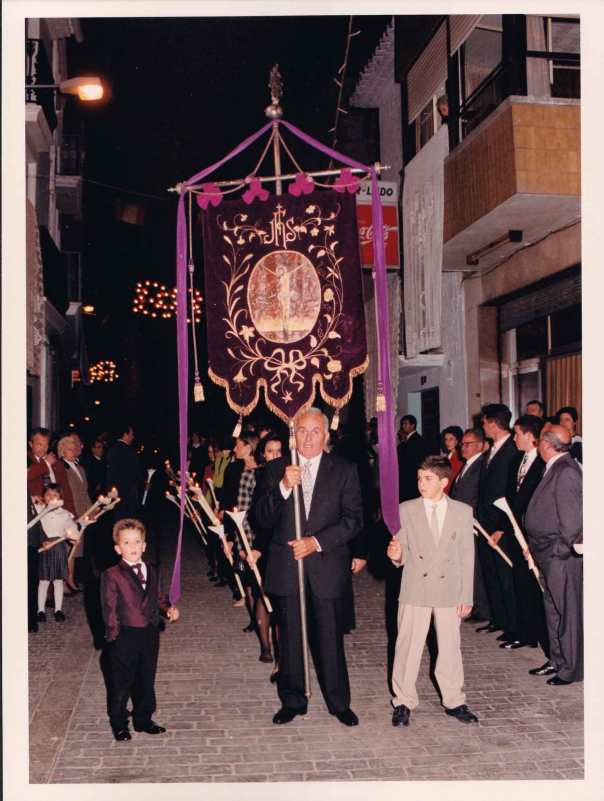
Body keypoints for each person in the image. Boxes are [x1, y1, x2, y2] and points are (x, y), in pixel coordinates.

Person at [253, 407, 363, 726]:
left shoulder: (344, 470)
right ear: (293, 435)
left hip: (326, 567)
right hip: (287, 569)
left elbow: (354, 519)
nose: (309, 438)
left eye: (316, 431)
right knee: (290, 639)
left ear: (326, 436)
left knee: (329, 638)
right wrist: (284, 488)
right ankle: (293, 700)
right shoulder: (275, 470)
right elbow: (261, 519)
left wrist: (315, 542)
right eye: (302, 431)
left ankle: (338, 703)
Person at [387, 456, 478, 727]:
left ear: (444, 482)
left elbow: (466, 555)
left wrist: (466, 595)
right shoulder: (406, 509)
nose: (421, 484)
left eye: (428, 479)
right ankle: (403, 701)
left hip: (449, 589)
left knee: (450, 648)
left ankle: (454, 700)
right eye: (419, 478)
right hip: (416, 587)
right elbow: (401, 553)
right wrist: (396, 554)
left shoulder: (462, 511)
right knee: (408, 647)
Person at [100, 518, 179, 740]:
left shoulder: (152, 570)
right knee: (121, 682)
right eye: (126, 542)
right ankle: (119, 723)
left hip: (149, 633)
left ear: (144, 545)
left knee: (146, 678)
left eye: (137, 541)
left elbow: (159, 598)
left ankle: (143, 719)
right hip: (124, 635)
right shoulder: (112, 574)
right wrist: (114, 637)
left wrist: (168, 610)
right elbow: (109, 608)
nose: (133, 546)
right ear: (118, 548)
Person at [524, 424, 583, 685]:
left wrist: (559, 551)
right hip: (547, 553)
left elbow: (572, 522)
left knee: (567, 613)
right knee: (553, 610)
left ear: (547, 445)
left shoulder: (566, 471)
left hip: (559, 556)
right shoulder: (556, 466)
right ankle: (557, 661)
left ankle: (571, 669)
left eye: (540, 440)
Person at [502, 415, 548, 652]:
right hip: (516, 533)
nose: (514, 438)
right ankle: (526, 633)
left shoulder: (543, 463)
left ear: (530, 436)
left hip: (535, 535)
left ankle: (543, 636)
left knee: (537, 588)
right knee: (520, 583)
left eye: (517, 434)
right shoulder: (515, 462)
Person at [475, 404, 519, 642]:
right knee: (491, 574)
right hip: (485, 523)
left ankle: (514, 626)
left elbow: (510, 493)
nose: (482, 426)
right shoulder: (492, 449)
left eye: (484, 422)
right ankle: (499, 619)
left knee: (506, 577)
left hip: (501, 525)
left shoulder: (513, 449)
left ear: (493, 423)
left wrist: (502, 527)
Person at [449, 427, 489, 622]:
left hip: (471, 523)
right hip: (460, 523)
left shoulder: (481, 466)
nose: (463, 447)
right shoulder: (467, 465)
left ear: (480, 445)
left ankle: (481, 608)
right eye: (462, 444)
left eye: (468, 444)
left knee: (475, 568)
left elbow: (476, 497)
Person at [35, 484, 80, 623]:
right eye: (48, 495)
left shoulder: (65, 514)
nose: (51, 498)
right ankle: (40, 610)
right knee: (43, 581)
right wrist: (34, 498)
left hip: (58, 548)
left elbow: (72, 528)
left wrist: (74, 538)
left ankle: (58, 609)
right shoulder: (39, 510)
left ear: (60, 498)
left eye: (55, 495)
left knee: (58, 581)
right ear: (43, 496)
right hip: (43, 547)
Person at [27, 427, 75, 514]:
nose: (43, 448)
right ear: (30, 444)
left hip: (60, 512)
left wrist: (72, 515)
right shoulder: (25, 460)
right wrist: (46, 464)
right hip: (38, 512)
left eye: (46, 445)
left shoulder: (56, 463)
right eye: (39, 444)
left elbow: (66, 493)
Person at [106, 424, 143, 520]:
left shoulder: (112, 450)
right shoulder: (129, 451)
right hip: (128, 494)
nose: (133, 437)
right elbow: (135, 474)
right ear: (125, 435)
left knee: (119, 520)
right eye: (131, 434)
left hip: (116, 493)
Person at [397, 415, 427, 502]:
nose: (403, 426)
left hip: (410, 477)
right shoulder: (409, 439)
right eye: (402, 424)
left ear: (412, 425)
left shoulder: (416, 440)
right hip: (408, 477)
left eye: (405, 424)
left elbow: (409, 459)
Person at [441, 425, 464, 493]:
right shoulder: (449, 455)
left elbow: (452, 479)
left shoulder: (459, 457)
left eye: (451, 439)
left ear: (458, 440)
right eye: (446, 439)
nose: (447, 442)